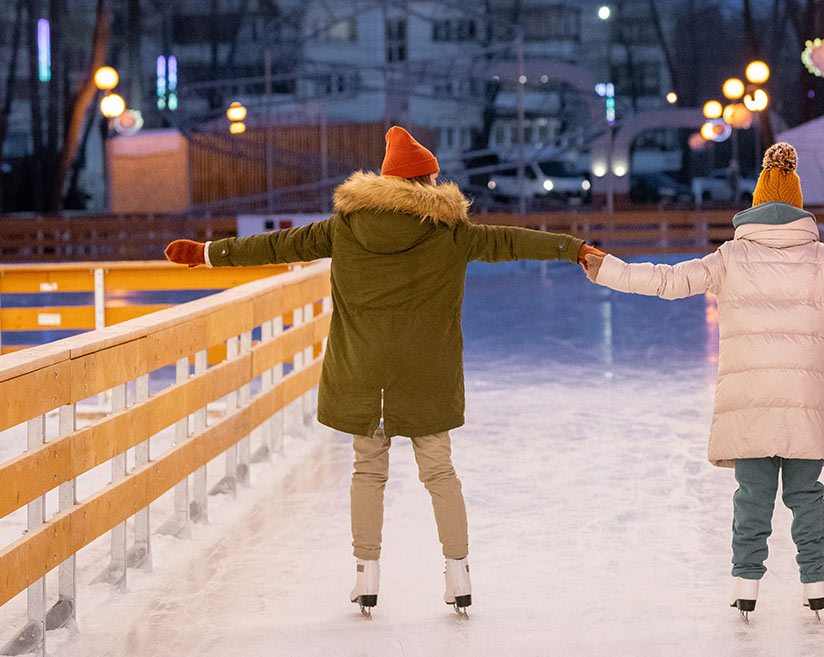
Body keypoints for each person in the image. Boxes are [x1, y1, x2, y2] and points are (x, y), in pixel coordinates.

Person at [162, 126, 605, 617]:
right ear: (428, 182)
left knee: (367, 472)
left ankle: (365, 577)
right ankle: (458, 574)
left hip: (362, 374)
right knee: (440, 472)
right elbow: (513, 241)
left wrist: (206, 253)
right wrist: (575, 249)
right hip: (427, 375)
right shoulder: (453, 233)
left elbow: (275, 246)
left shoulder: (343, 228)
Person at [583, 143, 824, 619]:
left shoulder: (730, 257)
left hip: (751, 398)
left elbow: (667, 280)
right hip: (805, 400)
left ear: (755, 207)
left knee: (753, 495)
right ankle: (815, 582)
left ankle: (745, 584)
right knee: (806, 495)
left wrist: (608, 268)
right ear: (798, 208)